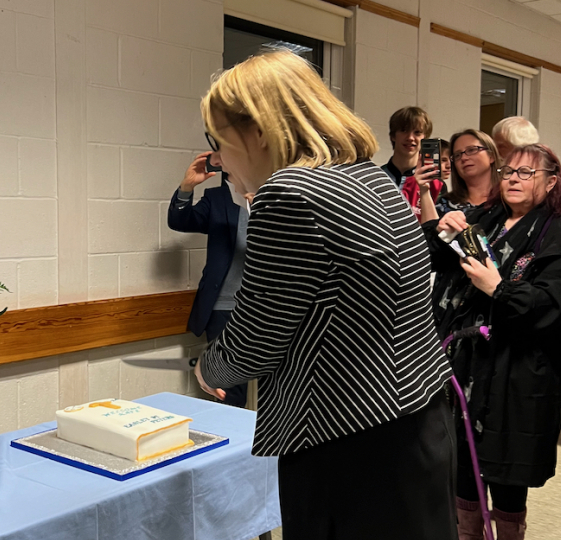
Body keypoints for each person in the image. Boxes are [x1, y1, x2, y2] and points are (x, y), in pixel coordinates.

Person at [192, 47, 456, 540]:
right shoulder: (370, 178)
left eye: (218, 140)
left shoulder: (290, 193)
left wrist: (208, 369)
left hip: (347, 436)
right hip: (415, 416)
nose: (220, 159)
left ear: (259, 132)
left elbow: (256, 338)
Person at [424, 144, 561, 540]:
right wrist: (442, 229)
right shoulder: (485, 218)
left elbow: (551, 305)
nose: (513, 179)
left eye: (527, 173)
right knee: (462, 474)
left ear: (551, 181)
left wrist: (499, 289)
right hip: (466, 365)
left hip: (517, 372)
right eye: (509, 171)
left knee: (506, 479)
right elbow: (439, 260)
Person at [167, 153, 248, 407]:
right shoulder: (218, 197)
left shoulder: (277, 196)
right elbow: (180, 220)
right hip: (224, 307)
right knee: (229, 391)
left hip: (269, 308)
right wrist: (187, 187)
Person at [435, 129, 502, 217]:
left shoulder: (509, 198)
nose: (464, 158)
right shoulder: (445, 204)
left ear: (491, 156)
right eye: (457, 155)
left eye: (471, 150)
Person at [381, 106, 433, 188]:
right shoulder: (376, 177)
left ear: (425, 138)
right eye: (404, 130)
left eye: (417, 132)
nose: (410, 138)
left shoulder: (434, 183)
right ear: (393, 136)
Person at [405, 138, 450, 223]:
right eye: (443, 160)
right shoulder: (408, 181)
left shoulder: (441, 185)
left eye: (451, 160)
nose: (449, 165)